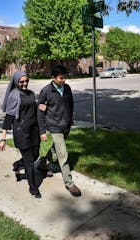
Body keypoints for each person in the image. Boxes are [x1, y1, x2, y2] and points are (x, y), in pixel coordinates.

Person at [37, 65, 81, 197]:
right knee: (62, 154)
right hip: (54, 126)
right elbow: (40, 113)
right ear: (53, 78)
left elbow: (71, 105)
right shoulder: (46, 91)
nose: (64, 80)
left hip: (66, 125)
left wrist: (70, 119)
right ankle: (69, 184)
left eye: (65, 78)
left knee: (55, 150)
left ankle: (42, 164)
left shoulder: (67, 88)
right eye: (61, 78)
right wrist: (42, 131)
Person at [0, 71, 42, 198]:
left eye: (26, 81)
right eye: (21, 81)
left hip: (34, 131)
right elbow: (8, 118)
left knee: (35, 155)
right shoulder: (14, 95)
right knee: (29, 163)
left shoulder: (31, 94)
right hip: (21, 132)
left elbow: (34, 112)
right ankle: (33, 189)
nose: (24, 84)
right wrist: (3, 139)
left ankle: (17, 165)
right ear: (16, 82)